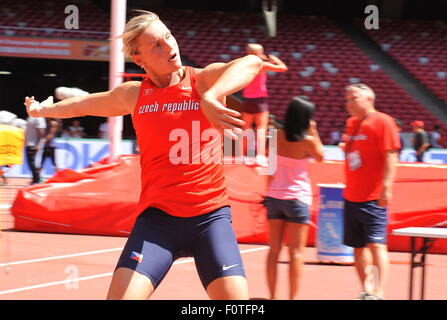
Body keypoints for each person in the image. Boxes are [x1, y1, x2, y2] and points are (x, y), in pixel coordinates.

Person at [25, 10, 264, 300]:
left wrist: (212, 98)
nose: (169, 46)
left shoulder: (202, 82)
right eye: (156, 46)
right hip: (157, 222)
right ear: (139, 59)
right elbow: (83, 104)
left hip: (209, 219)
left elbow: (253, 62)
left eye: (168, 36)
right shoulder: (134, 95)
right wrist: (43, 110)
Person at [340, 83, 400, 300]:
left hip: (373, 197)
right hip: (351, 195)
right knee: (357, 248)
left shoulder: (383, 121)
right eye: (347, 100)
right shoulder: (351, 123)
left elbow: (391, 155)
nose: (349, 104)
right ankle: (367, 289)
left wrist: (386, 187)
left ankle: (379, 292)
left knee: (376, 245)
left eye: (353, 98)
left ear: (368, 98)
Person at [263, 96, 323, 300]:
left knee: (273, 251)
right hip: (297, 198)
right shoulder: (307, 141)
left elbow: (269, 170)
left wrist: (268, 194)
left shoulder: (274, 136)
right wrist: (314, 132)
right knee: (296, 253)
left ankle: (273, 296)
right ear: (306, 119)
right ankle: (293, 298)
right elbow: (321, 156)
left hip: (275, 197)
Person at [241, 43, 287, 166]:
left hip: (247, 99)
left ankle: (243, 155)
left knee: (247, 129)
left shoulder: (242, 65)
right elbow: (283, 68)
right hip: (260, 100)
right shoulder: (262, 65)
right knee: (261, 129)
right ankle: (260, 156)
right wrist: (274, 59)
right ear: (259, 54)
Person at [24, 115, 46, 184]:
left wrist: (39, 144)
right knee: (31, 163)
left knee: (34, 163)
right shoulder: (30, 117)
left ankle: (37, 180)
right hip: (29, 143)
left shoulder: (39, 118)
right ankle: (36, 179)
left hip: (34, 144)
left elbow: (41, 132)